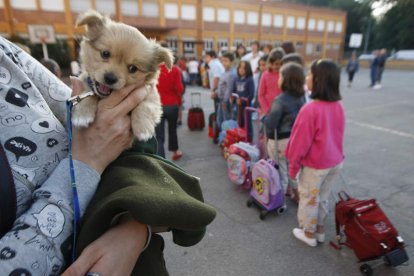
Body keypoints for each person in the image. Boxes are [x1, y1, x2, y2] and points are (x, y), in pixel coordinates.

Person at [0, 36, 149, 275]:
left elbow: (127, 141)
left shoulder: (5, 54)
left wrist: (134, 225)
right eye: (105, 54)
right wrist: (88, 162)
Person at [285, 59, 345, 247]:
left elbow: (298, 145)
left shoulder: (310, 109)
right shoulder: (338, 106)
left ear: (319, 80)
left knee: (309, 198)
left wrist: (292, 168)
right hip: (335, 162)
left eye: (310, 74)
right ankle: (319, 230)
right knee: (323, 198)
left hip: (315, 165)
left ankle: (308, 233)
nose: (307, 78)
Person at [265, 62, 306, 204]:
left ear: (286, 80)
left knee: (280, 171)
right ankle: (297, 195)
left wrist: (265, 117)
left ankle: (278, 200)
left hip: (279, 141)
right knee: (293, 170)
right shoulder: (302, 97)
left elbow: (271, 124)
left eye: (280, 76)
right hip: (295, 139)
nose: (278, 79)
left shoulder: (280, 100)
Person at [155, 59, 185, 160]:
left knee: (159, 136)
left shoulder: (154, 69)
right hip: (172, 105)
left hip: (157, 105)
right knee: (172, 130)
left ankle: (161, 159)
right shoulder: (175, 69)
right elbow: (179, 88)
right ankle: (175, 152)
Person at [258, 47, 285, 116]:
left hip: (282, 111)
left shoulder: (285, 75)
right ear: (270, 63)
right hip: (268, 112)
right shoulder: (265, 75)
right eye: (276, 64)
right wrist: (267, 111)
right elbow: (261, 95)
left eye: (280, 64)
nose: (277, 66)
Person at [215, 52, 235, 129]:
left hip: (226, 102)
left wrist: (225, 101)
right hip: (221, 100)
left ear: (232, 62)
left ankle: (226, 137)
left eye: (226, 61)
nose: (223, 63)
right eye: (222, 61)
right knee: (220, 120)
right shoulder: (225, 72)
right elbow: (221, 86)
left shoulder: (231, 74)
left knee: (226, 121)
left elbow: (229, 89)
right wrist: (216, 92)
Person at [204, 50, 225, 114]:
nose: (205, 59)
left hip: (218, 90)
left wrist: (213, 90)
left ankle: (219, 123)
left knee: (218, 110)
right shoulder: (215, 63)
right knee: (218, 109)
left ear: (212, 57)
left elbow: (217, 77)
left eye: (207, 57)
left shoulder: (214, 64)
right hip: (220, 89)